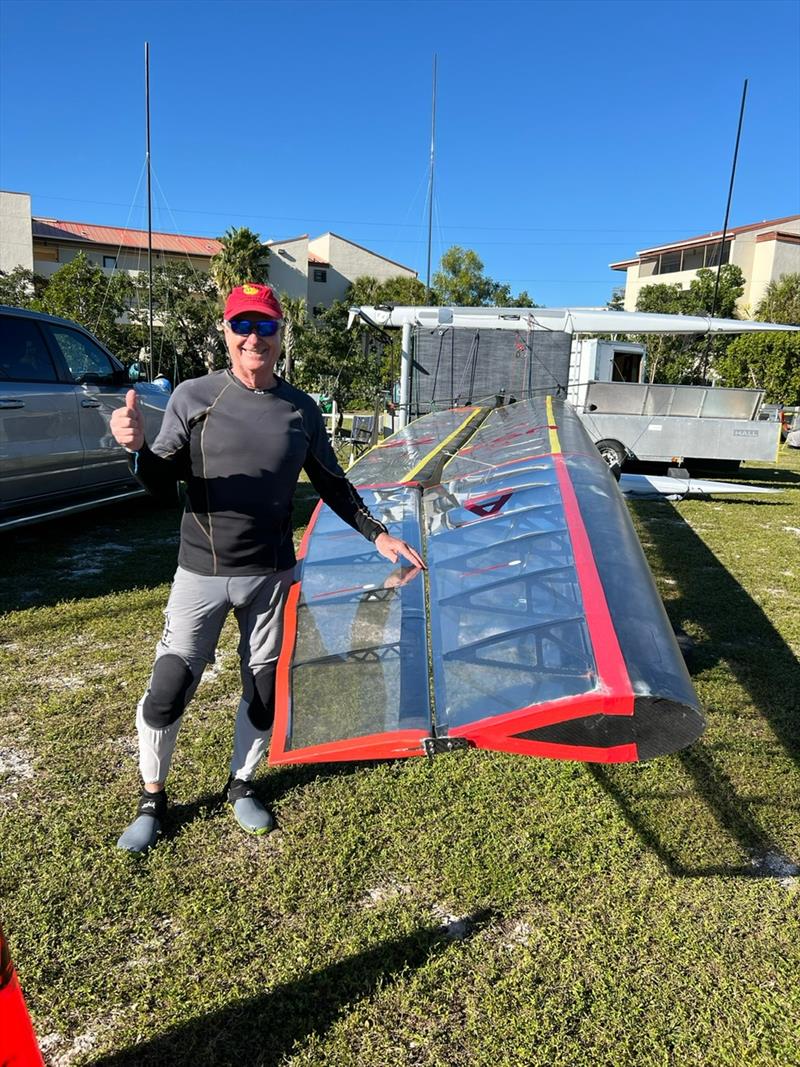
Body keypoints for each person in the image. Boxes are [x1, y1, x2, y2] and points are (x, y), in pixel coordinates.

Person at [110, 283, 424, 853]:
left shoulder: (300, 409)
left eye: (266, 326)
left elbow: (331, 480)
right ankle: (153, 800)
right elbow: (161, 478)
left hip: (273, 576)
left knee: (261, 689)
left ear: (282, 334)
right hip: (201, 573)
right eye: (242, 325)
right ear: (226, 333)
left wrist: (377, 535)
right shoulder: (194, 396)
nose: (254, 337)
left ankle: (242, 784)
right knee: (169, 688)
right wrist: (135, 450)